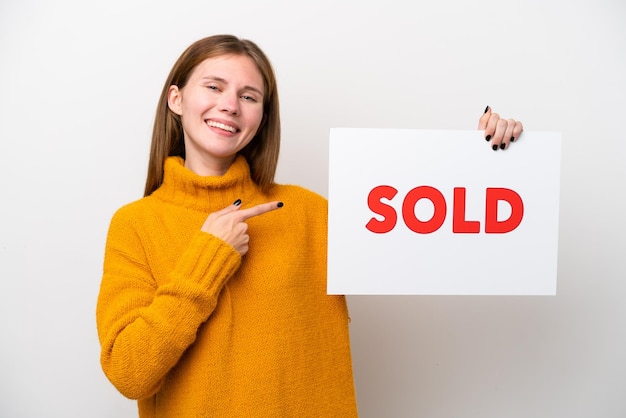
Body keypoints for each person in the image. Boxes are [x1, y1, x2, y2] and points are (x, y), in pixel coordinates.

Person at [96, 34, 523, 418]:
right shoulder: (135, 224)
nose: (230, 104)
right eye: (213, 86)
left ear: (261, 116)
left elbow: (436, 230)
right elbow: (130, 373)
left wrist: (489, 159)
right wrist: (209, 257)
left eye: (250, 96)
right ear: (176, 99)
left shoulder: (311, 214)